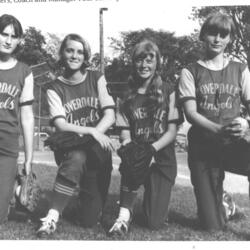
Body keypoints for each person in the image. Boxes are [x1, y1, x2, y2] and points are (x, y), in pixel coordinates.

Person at [36, 33, 115, 237]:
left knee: (89, 220)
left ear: (85, 56)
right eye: (70, 50)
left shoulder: (96, 77)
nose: (74, 55)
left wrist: (95, 135)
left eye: (80, 52)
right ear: (62, 53)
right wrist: (92, 131)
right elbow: (61, 125)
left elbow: (110, 114)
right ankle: (52, 216)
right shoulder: (54, 87)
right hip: (70, 147)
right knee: (77, 155)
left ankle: (78, 202)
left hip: (97, 149)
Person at [178, 12, 250, 231]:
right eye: (212, 33)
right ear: (203, 35)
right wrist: (219, 129)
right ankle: (224, 205)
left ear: (229, 39)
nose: (217, 39)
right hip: (204, 145)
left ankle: (222, 200)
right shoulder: (190, 71)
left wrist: (246, 123)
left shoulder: (240, 69)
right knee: (212, 226)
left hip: (233, 143)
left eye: (223, 34)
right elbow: (191, 113)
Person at [108, 39, 181, 235]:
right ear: (134, 63)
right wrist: (131, 150)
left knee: (153, 223)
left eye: (149, 60)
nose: (144, 65)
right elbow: (125, 134)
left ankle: (152, 203)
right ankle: (124, 215)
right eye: (140, 60)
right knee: (131, 159)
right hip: (139, 154)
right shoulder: (126, 95)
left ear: (157, 62)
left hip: (161, 156)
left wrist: (151, 150)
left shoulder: (169, 90)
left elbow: (172, 132)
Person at [0, 14, 34, 224]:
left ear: (19, 40)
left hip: (7, 146)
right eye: (4, 34)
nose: (7, 40)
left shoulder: (24, 71)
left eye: (14, 36)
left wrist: (28, 158)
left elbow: (27, 117)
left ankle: (11, 190)